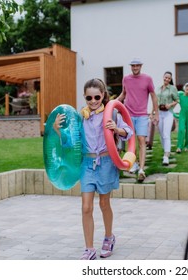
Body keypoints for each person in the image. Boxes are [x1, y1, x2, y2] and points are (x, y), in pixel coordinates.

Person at [53, 78, 133, 260]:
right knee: (86, 207)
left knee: (104, 204)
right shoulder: (80, 117)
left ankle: (109, 237)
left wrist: (117, 130)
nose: (94, 101)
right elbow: (70, 142)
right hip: (87, 165)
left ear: (103, 95)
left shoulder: (112, 114)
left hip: (106, 163)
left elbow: (129, 131)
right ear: (85, 97)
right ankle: (89, 249)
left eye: (97, 96)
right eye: (89, 98)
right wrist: (57, 130)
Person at [117, 58, 159, 182]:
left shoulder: (147, 79)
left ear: (141, 66)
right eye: (133, 66)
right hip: (128, 114)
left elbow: (153, 97)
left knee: (141, 140)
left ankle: (141, 169)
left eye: (137, 66)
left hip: (141, 115)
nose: (135, 68)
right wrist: (112, 103)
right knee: (131, 141)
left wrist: (156, 113)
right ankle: (133, 164)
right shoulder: (126, 79)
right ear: (131, 67)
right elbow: (123, 94)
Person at [156, 71, 179, 165]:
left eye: (169, 78)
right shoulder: (158, 88)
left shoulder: (172, 88)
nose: (167, 79)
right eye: (165, 77)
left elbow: (177, 100)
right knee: (161, 135)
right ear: (163, 77)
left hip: (168, 113)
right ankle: (166, 149)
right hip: (159, 113)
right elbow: (155, 101)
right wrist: (153, 113)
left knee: (166, 134)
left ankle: (166, 156)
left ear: (170, 79)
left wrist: (170, 104)